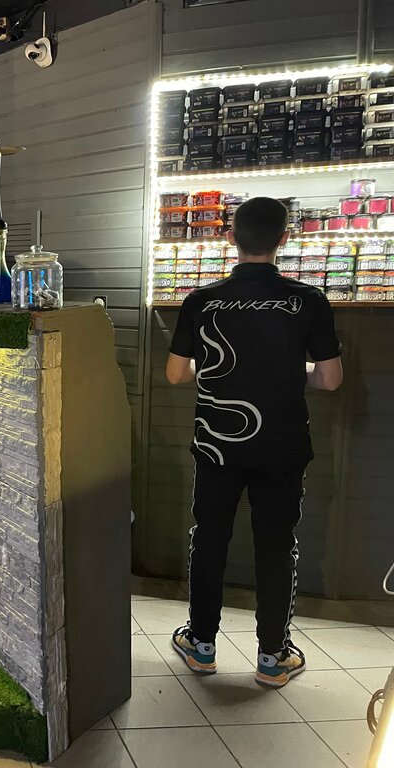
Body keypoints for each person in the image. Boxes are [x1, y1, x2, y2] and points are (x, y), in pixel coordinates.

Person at [165, 196, 343, 688]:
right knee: (277, 546)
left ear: (231, 238)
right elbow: (330, 379)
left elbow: (176, 374)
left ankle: (201, 646)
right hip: (283, 446)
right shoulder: (309, 301)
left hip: (217, 444)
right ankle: (272, 657)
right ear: (284, 239)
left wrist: (218, 370)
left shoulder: (201, 300)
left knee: (209, 539)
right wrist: (290, 370)